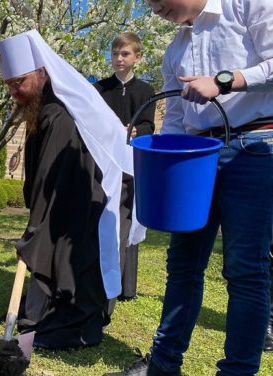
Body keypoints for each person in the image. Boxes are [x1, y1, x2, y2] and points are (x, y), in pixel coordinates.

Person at [106, 0, 273, 375]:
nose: (152, 8)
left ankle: (237, 371)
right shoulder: (176, 49)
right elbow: (177, 120)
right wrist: (162, 161)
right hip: (195, 157)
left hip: (255, 145)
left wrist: (224, 80)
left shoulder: (248, 6)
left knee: (246, 268)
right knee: (182, 265)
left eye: (155, 0)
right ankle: (163, 367)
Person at [0, 30, 143, 350]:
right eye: (9, 86)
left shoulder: (60, 110)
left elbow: (53, 174)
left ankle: (68, 323)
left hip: (83, 195)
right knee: (57, 251)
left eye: (19, 82)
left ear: (42, 72)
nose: (13, 92)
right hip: (67, 193)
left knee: (70, 255)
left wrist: (36, 223)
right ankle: (43, 317)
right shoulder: (42, 102)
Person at [94, 32, 156, 302]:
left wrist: (133, 132)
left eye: (125, 54)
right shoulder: (100, 88)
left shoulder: (146, 91)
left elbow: (148, 125)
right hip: (104, 160)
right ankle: (99, 277)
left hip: (131, 163)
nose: (119, 59)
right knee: (105, 218)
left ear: (137, 57)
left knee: (127, 221)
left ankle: (125, 286)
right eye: (115, 53)